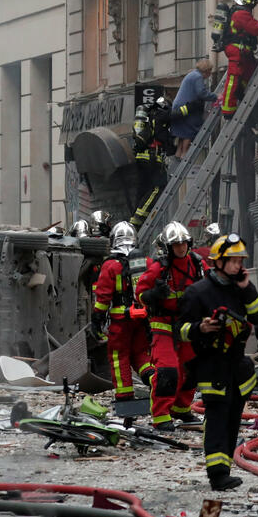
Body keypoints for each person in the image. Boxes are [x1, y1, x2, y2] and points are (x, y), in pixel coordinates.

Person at [178, 233, 258, 491]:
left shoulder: (240, 289)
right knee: (217, 416)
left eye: (241, 260)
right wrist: (199, 328)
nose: (240, 265)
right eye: (234, 261)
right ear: (218, 262)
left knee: (233, 417)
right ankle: (216, 474)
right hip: (211, 364)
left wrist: (248, 288)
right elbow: (179, 330)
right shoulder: (197, 292)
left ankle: (224, 468)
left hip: (236, 367)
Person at [136, 221, 207, 430]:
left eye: (183, 243)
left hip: (188, 326)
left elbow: (211, 287)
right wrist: (152, 295)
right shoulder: (159, 268)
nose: (181, 248)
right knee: (167, 371)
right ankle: (161, 416)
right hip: (163, 325)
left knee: (193, 369)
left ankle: (182, 409)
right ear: (168, 247)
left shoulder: (198, 265)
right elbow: (140, 294)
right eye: (176, 245)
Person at [92, 221, 154, 404]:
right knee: (142, 354)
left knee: (119, 357)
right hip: (143, 318)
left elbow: (103, 297)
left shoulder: (110, 265)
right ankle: (155, 380)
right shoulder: (147, 262)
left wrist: (97, 319)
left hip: (120, 320)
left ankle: (124, 395)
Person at [129, 98, 175, 228]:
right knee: (158, 187)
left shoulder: (149, 117)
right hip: (152, 159)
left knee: (142, 190)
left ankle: (134, 220)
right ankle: (140, 216)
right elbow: (164, 139)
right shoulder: (160, 117)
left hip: (140, 159)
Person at [171, 59, 218, 157]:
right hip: (188, 108)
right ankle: (185, 154)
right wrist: (216, 96)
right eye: (210, 71)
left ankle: (179, 152)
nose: (210, 74)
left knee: (182, 131)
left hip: (179, 107)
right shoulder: (198, 77)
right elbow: (201, 93)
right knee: (190, 130)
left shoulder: (191, 74)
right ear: (207, 70)